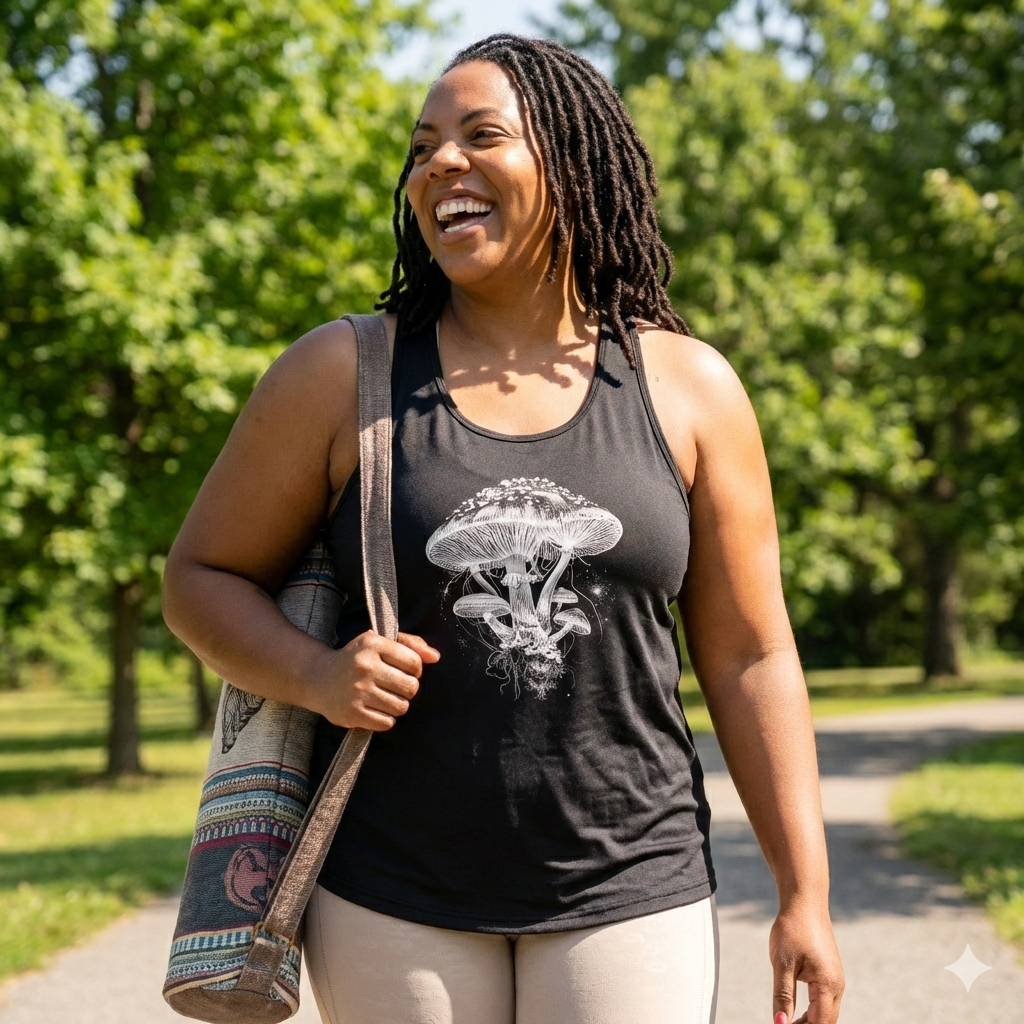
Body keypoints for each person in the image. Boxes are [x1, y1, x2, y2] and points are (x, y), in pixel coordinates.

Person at [163, 34, 844, 1024]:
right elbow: (201, 575)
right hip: (392, 888)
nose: (441, 164)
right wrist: (314, 674)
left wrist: (804, 894)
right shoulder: (337, 376)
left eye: (481, 135)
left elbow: (750, 653)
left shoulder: (689, 386)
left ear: (569, 165)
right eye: (422, 146)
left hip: (632, 877)